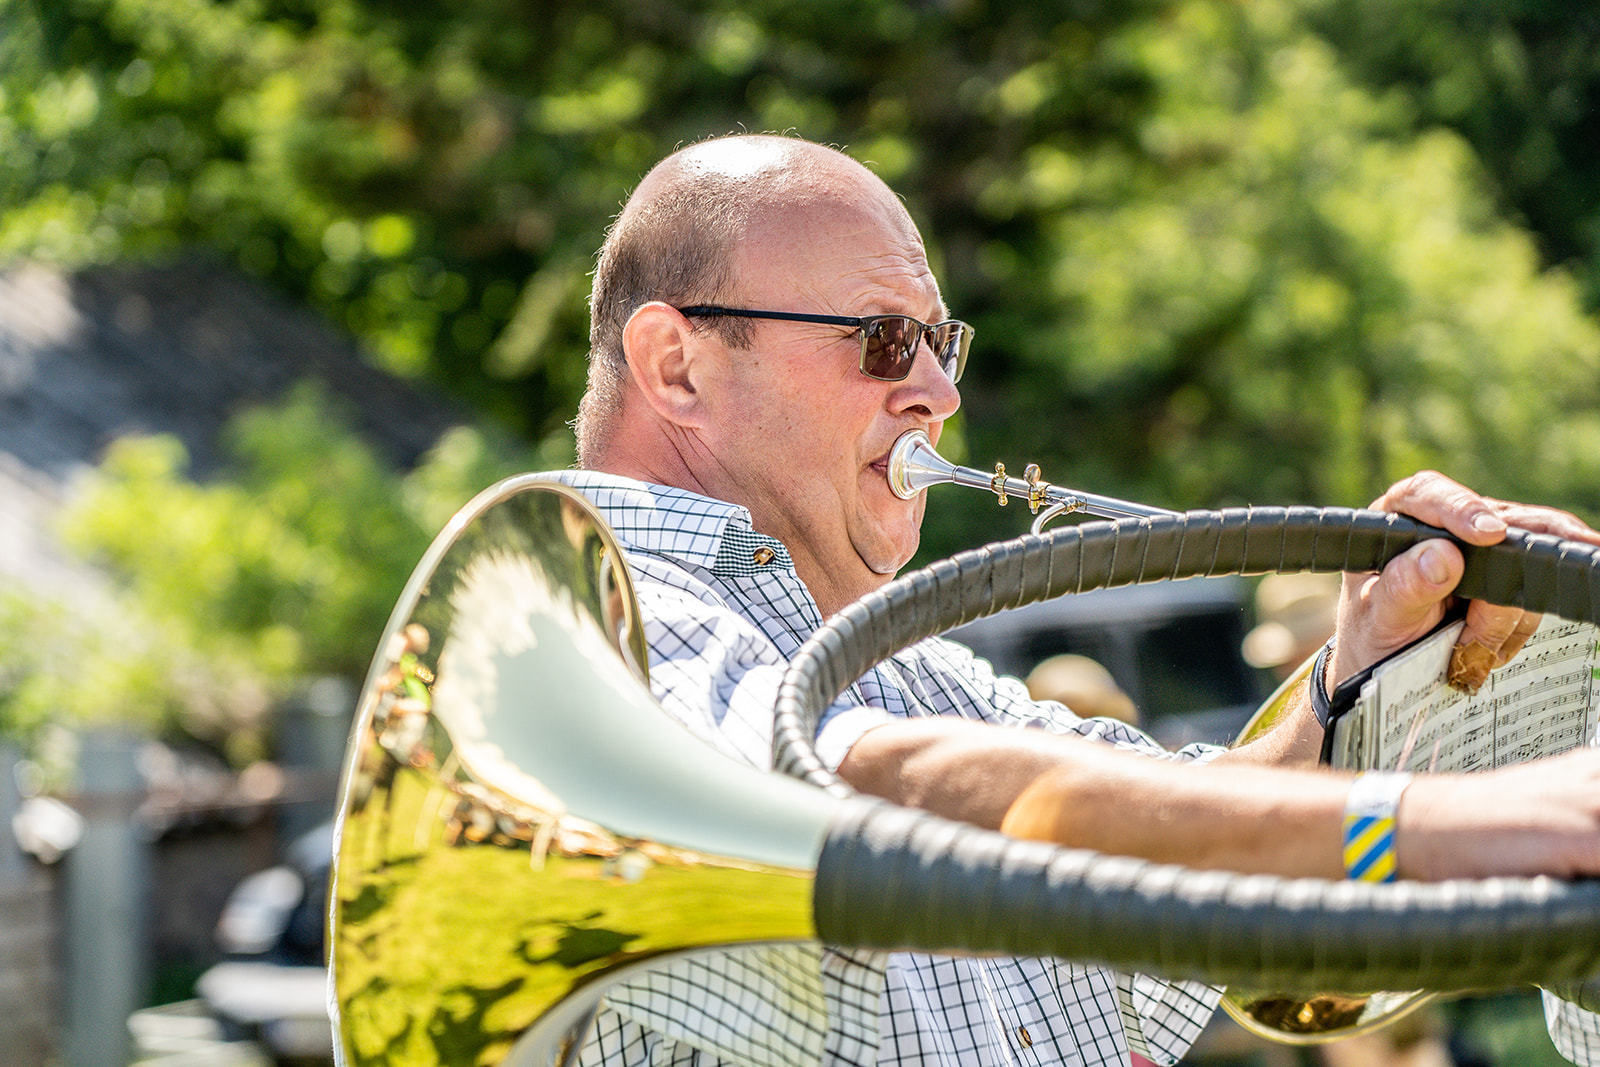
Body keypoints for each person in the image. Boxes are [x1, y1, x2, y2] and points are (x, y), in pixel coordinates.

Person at [544, 132, 1600, 1066]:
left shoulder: (916, 675)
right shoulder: (583, 621)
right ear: (677, 367)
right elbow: (820, 785)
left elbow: (1179, 861)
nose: (941, 394)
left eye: (940, 342)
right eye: (882, 340)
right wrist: (1457, 823)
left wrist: (1358, 665)